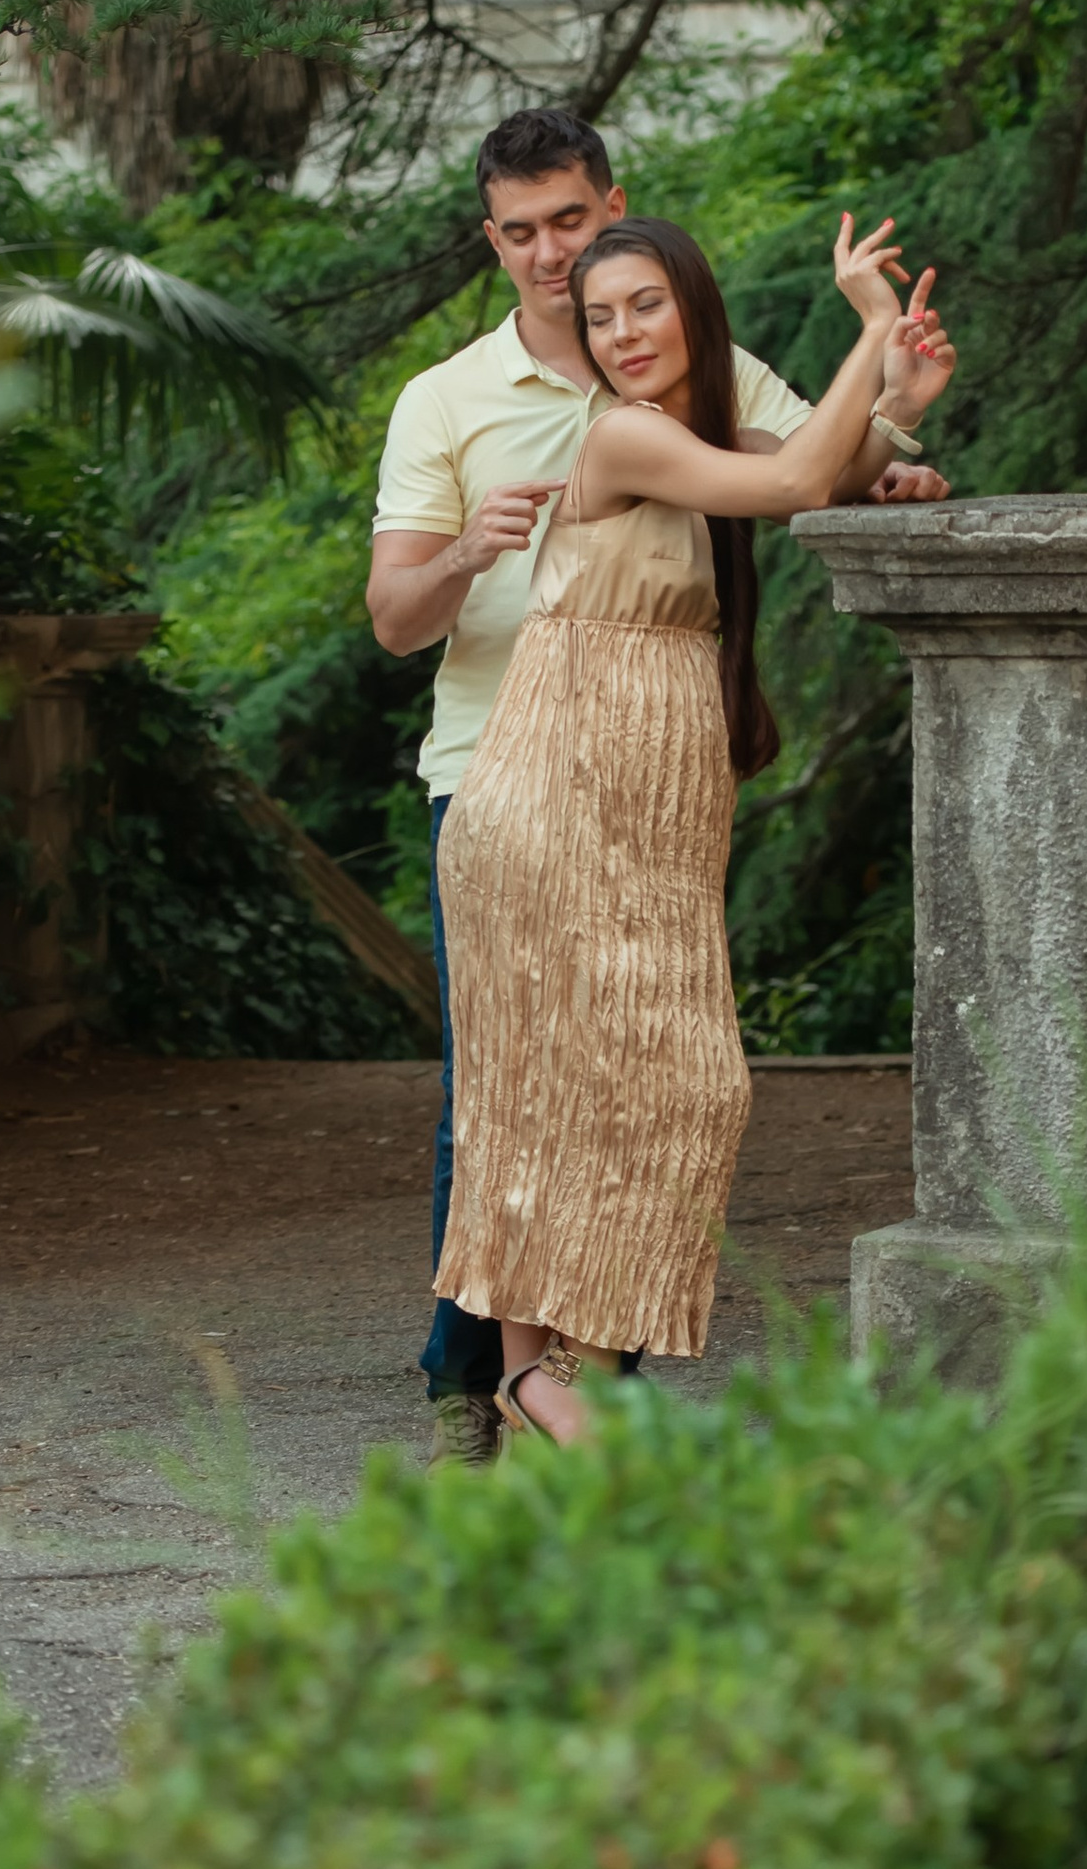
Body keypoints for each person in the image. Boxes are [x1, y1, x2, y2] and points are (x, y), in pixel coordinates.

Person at [369, 108, 950, 1465]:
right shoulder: (485, 408)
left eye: (579, 230)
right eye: (523, 235)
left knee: (654, 1082)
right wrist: (866, 323)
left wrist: (899, 416)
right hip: (517, 767)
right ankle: (500, 1382)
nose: (562, 266)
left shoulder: (683, 401)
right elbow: (800, 469)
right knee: (519, 1091)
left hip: (652, 792)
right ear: (493, 242)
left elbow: (810, 471)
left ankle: (572, 1368)